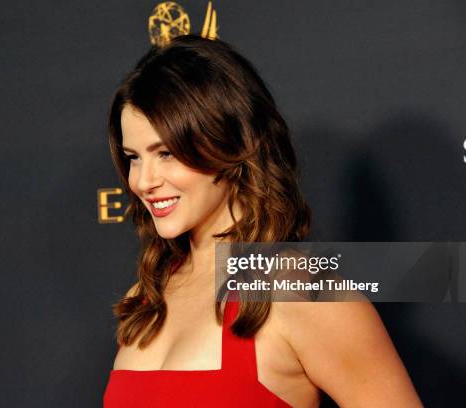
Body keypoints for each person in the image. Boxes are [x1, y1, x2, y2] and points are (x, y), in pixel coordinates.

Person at [103, 35, 421, 407]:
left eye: (167, 153)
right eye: (133, 157)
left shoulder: (303, 292)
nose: (143, 181)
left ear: (228, 142)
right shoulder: (145, 299)